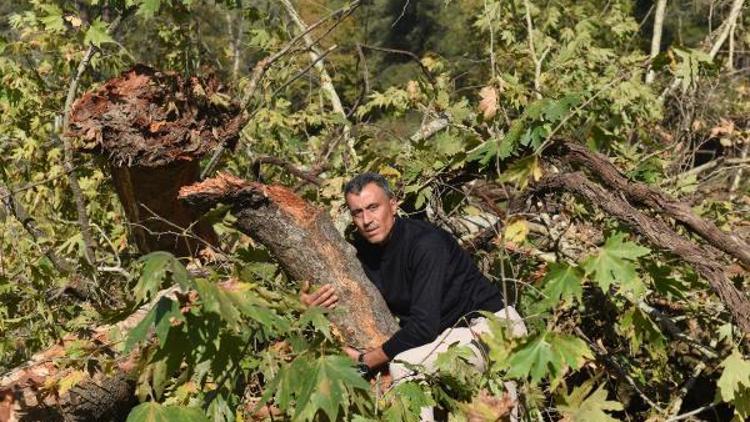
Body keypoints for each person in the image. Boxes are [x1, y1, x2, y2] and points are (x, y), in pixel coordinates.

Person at [301, 172, 526, 419]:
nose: (367, 220)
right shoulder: (364, 254)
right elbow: (346, 293)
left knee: (403, 367)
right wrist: (311, 307)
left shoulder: (426, 243)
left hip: (493, 331)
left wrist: (366, 360)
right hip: (450, 340)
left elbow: (423, 327)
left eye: (373, 207)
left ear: (394, 205)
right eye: (357, 212)